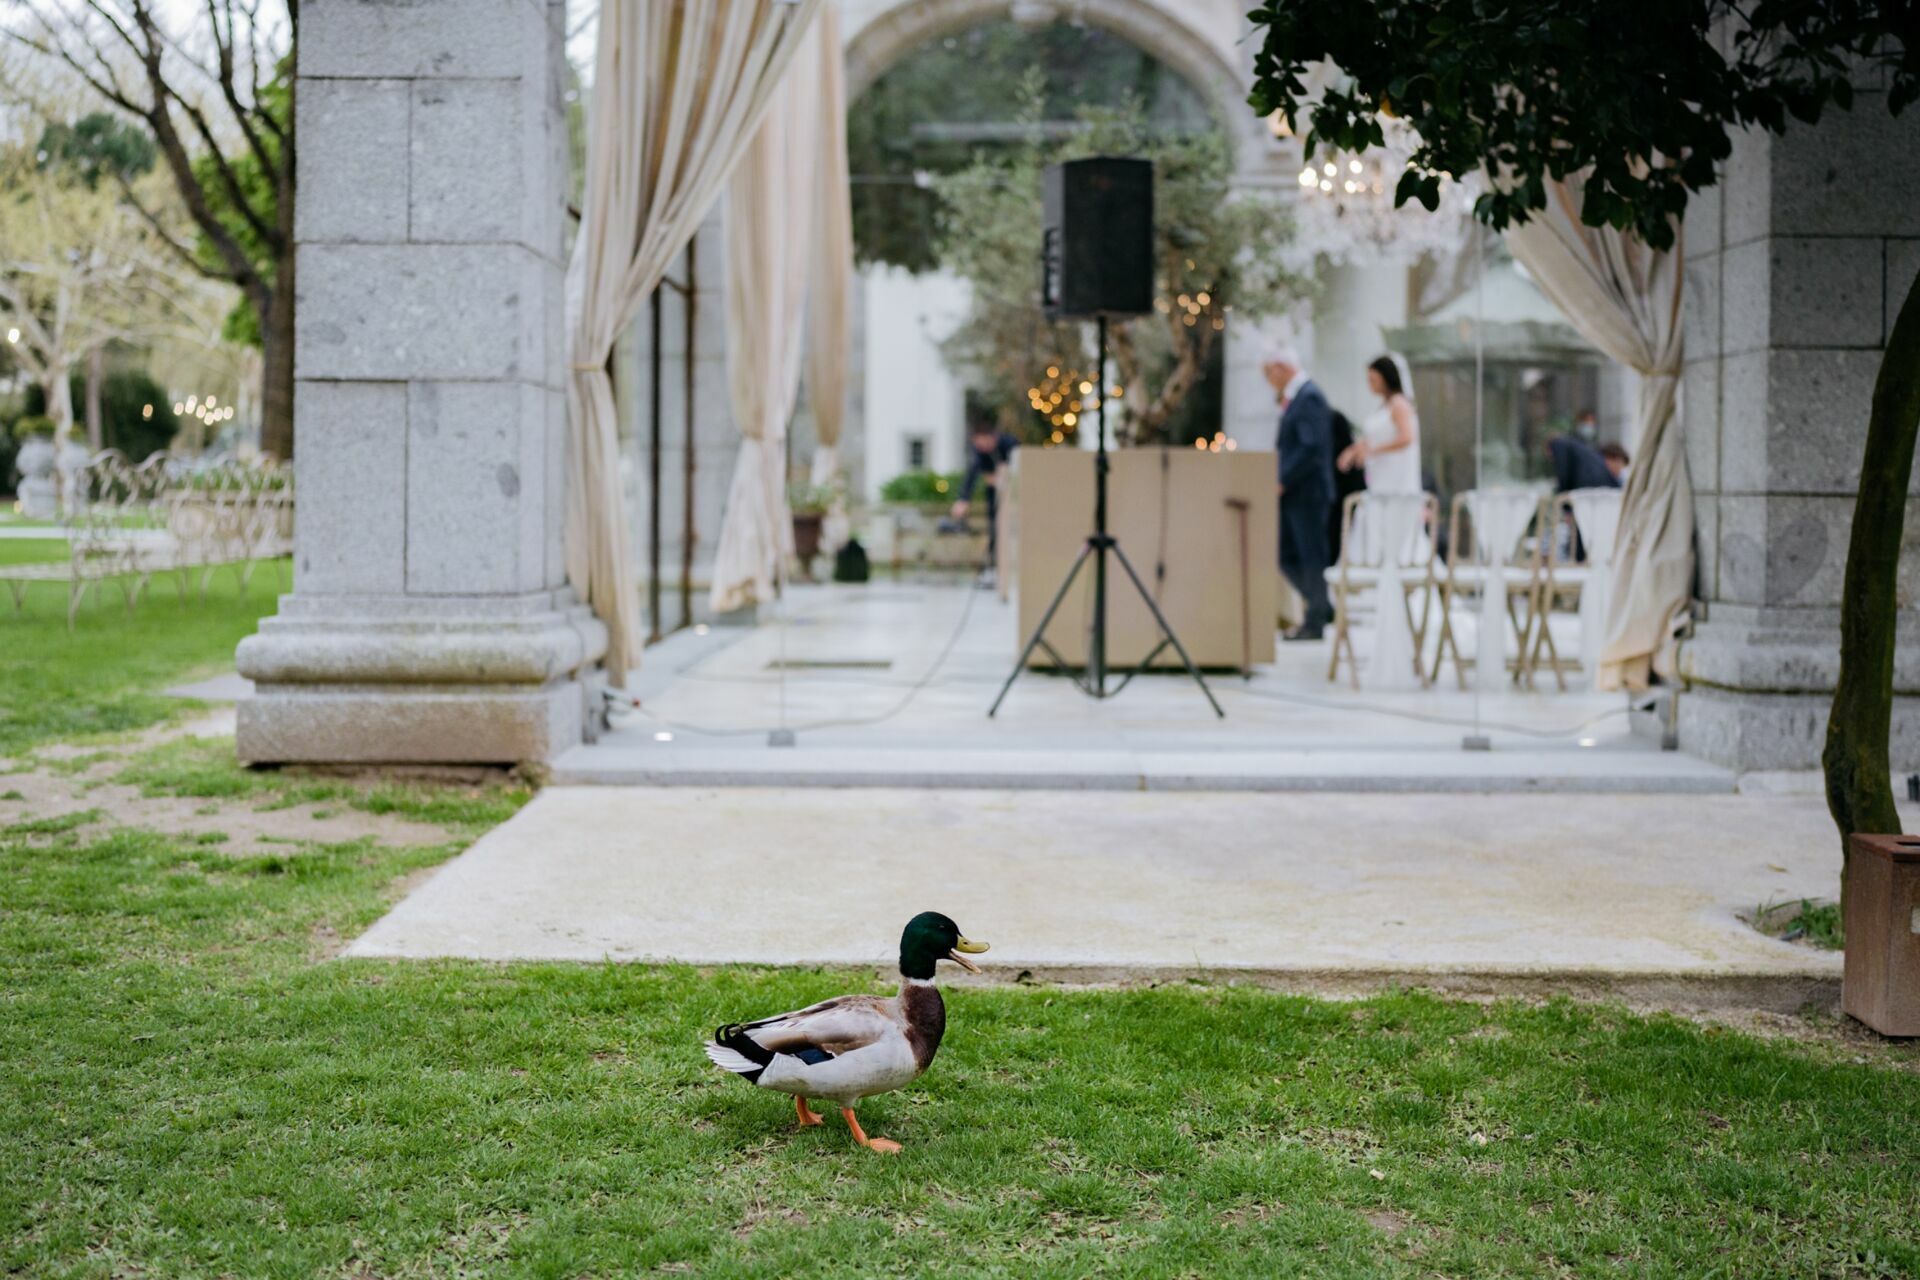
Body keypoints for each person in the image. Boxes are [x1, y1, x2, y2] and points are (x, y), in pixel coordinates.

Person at [1266, 344, 1334, 640]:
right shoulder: (1298, 399)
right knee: (1286, 553)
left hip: (1307, 494)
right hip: (1295, 494)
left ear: (1281, 368)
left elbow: (1311, 448)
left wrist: (1283, 478)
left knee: (1309, 556)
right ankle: (1320, 605)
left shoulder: (1309, 398)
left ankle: (1316, 617)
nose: (1268, 380)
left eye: (1268, 373)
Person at [1338, 354, 1422, 494]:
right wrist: (1353, 451)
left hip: (1396, 477)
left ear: (1385, 378)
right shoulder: (1383, 406)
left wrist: (1373, 451)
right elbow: (1375, 437)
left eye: (1373, 379)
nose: (1369, 384)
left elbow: (1407, 438)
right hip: (1380, 476)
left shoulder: (1399, 404)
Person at [951, 411, 1017, 584]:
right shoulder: (978, 451)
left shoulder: (1009, 444)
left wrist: (1003, 475)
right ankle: (992, 567)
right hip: (993, 493)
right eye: (978, 445)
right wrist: (963, 499)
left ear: (992, 438)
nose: (982, 448)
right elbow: (972, 473)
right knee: (993, 527)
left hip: (1013, 495)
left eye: (984, 444)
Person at [1546, 434, 1619, 492]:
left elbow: (1563, 471)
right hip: (1603, 482)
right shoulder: (1574, 446)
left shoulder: (1557, 444)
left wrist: (1561, 491)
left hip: (1589, 482)